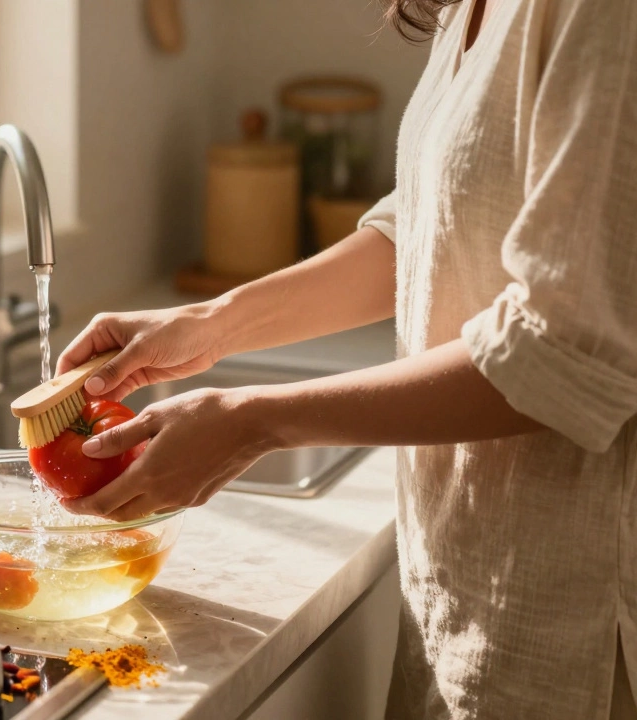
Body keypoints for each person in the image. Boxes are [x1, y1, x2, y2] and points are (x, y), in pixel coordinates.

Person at [55, 0, 637, 717]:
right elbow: (429, 219)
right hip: (467, 599)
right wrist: (211, 323)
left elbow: (559, 348)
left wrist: (254, 422)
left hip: (578, 628)